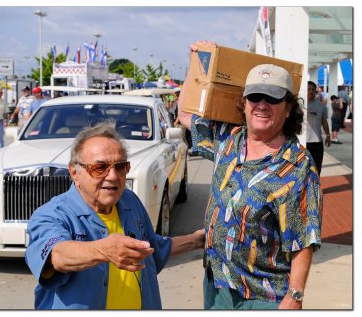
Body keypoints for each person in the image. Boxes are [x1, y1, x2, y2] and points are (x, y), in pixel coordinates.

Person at [178, 44, 322, 309]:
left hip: (262, 296)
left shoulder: (298, 166)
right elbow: (185, 113)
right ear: (243, 103)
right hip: (218, 282)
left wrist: (295, 296)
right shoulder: (227, 139)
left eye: (273, 98)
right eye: (255, 97)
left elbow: (304, 238)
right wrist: (196, 61)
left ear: (288, 108)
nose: (262, 105)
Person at [25, 121, 205, 309]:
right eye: (100, 167)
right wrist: (104, 250)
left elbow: (154, 249)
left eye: (120, 167)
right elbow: (57, 255)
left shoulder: (129, 201)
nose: (112, 176)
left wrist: (197, 240)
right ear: (74, 172)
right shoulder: (52, 214)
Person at [306, 80, 331, 175]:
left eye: (313, 89)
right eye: (308, 89)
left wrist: (328, 136)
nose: (311, 91)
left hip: (317, 142)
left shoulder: (321, 106)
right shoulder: (299, 104)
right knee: (303, 169)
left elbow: (324, 122)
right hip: (303, 143)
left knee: (316, 168)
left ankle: (315, 188)